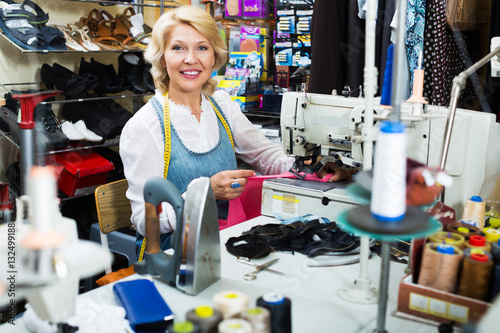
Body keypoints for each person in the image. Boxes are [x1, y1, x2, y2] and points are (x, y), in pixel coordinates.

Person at [119, 5, 354, 255]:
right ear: (162, 57)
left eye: (202, 47)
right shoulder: (145, 126)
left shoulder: (221, 106)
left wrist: (312, 165)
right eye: (178, 48)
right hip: (175, 257)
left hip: (227, 242)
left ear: (214, 57)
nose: (191, 59)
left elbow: (266, 158)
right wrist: (203, 195)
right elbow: (146, 222)